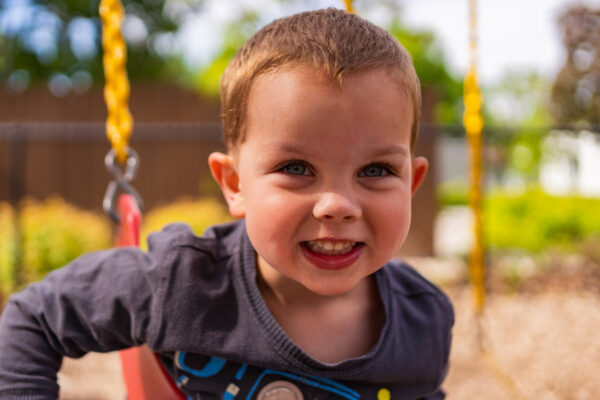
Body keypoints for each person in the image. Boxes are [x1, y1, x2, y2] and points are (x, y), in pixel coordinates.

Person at [0, 8, 453, 400]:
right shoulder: (179, 282)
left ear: (411, 184)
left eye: (375, 171)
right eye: (296, 168)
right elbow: (33, 319)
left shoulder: (424, 318)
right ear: (234, 185)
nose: (337, 205)